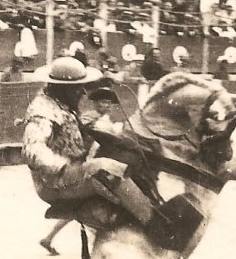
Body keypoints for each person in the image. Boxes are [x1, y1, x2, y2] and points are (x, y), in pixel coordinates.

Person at [22, 57, 188, 243]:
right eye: (77, 87)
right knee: (104, 167)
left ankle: (153, 210)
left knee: (127, 156)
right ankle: (158, 228)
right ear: (62, 87)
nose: (83, 92)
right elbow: (32, 151)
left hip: (71, 172)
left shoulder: (61, 103)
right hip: (53, 180)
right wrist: (65, 166)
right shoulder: (42, 111)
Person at [38, 86, 122, 256]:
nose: (105, 105)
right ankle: (99, 249)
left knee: (79, 206)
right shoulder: (89, 118)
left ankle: (48, 238)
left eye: (108, 103)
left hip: (88, 160)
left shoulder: (103, 119)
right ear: (96, 103)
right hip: (80, 161)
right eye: (102, 102)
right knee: (94, 203)